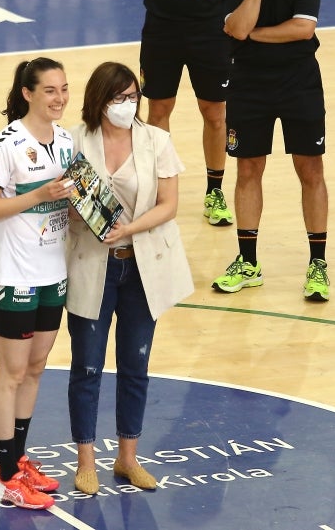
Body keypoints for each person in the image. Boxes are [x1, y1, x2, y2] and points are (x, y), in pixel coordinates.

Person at [65, 61, 194, 495]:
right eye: (118, 98)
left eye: (132, 97)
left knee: (135, 364)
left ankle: (127, 459)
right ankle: (86, 462)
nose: (127, 105)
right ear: (98, 101)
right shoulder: (75, 141)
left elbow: (169, 204)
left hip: (142, 265)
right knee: (86, 365)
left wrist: (128, 230)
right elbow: (65, 200)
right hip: (91, 265)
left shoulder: (156, 140)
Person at [0, 57, 74, 509]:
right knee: (11, 373)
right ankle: (5, 476)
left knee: (34, 369)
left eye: (64, 89)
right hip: (15, 272)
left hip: (54, 270)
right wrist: (38, 195)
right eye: (50, 90)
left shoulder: (68, 142)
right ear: (29, 93)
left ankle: (18, 459)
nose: (59, 98)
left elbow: (70, 203)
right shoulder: (5, 144)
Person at [211, 0, 332, 302]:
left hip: (299, 80)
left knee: (311, 170)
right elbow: (236, 27)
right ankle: (248, 263)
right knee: (248, 169)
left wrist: (253, 34)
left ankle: (317, 263)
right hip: (248, 82)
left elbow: (304, 28)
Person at [140, 0, 236, 226]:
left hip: (211, 27)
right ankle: (161, 193)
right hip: (162, 25)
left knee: (214, 113)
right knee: (159, 109)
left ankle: (214, 192)